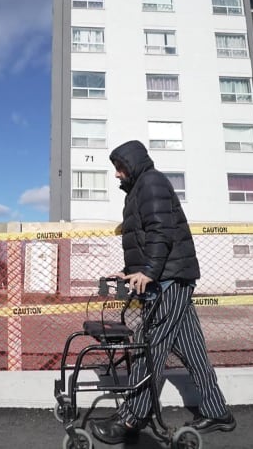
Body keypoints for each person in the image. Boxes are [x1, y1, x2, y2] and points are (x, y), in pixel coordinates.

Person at [89, 140, 235, 445]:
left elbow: (160, 232)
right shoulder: (140, 188)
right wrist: (130, 273)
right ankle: (218, 411)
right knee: (192, 349)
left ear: (132, 163)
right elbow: (146, 240)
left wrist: (149, 273)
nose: (117, 174)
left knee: (149, 344)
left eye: (120, 167)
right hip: (169, 278)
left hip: (168, 281)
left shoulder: (151, 183)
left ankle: (133, 416)